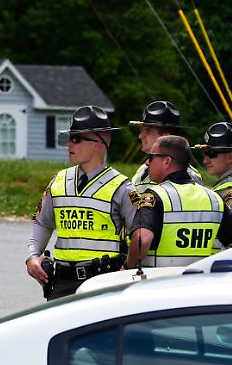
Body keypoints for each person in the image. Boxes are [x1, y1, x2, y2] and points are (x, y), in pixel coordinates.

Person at [26, 106, 154, 299]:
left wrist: (127, 267)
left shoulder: (122, 187)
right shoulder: (59, 180)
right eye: (68, 138)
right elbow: (43, 222)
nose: (68, 144)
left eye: (76, 139)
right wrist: (32, 256)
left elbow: (140, 236)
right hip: (62, 281)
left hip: (103, 281)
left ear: (98, 144)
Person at [127, 135, 232, 267]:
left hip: (160, 283)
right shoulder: (214, 200)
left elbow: (143, 239)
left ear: (167, 161)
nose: (147, 162)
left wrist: (128, 266)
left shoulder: (155, 196)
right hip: (198, 283)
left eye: (151, 157)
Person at [128, 100, 202, 189]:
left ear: (166, 137)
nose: (140, 136)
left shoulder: (187, 177)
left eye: (147, 130)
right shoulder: (143, 169)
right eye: (142, 130)